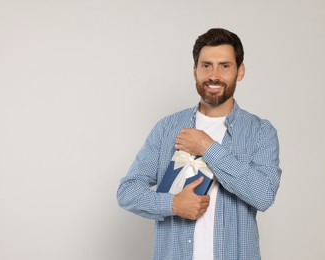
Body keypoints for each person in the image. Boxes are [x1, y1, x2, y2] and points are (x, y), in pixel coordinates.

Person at [117, 28, 282, 260]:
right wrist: (173, 204)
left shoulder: (260, 132)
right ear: (195, 71)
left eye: (224, 66)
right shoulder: (167, 128)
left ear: (240, 71)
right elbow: (128, 192)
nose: (214, 75)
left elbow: (263, 195)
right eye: (206, 65)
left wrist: (208, 147)